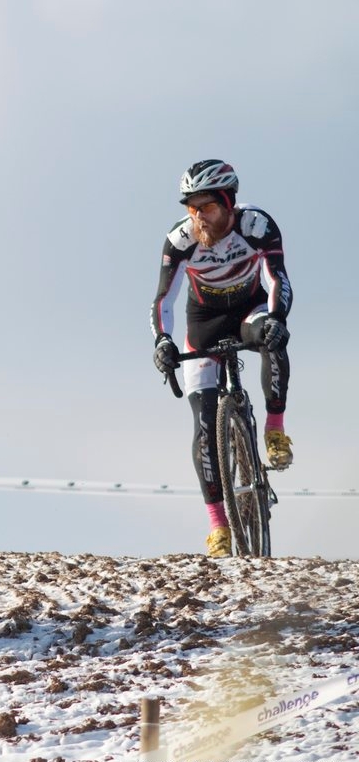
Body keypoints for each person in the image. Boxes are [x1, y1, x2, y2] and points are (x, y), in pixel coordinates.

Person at [149, 160, 294, 557]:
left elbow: (277, 278)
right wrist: (162, 341)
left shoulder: (256, 227)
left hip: (247, 309)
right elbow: (164, 299)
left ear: (229, 203)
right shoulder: (180, 242)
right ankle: (218, 526)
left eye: (207, 207)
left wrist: (277, 319)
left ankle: (275, 429)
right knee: (203, 427)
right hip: (204, 322)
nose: (199, 217)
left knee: (271, 336)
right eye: (191, 208)